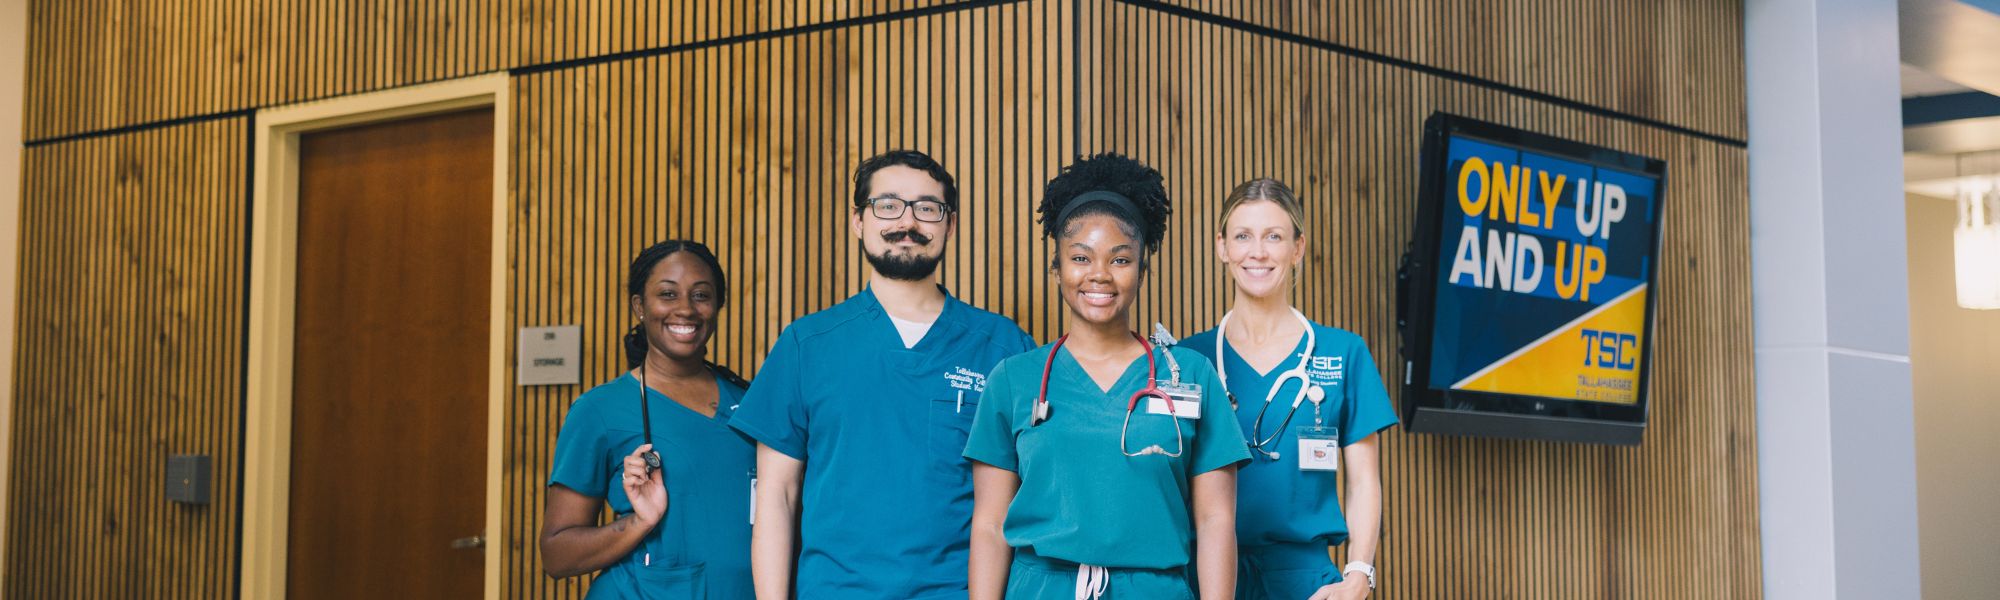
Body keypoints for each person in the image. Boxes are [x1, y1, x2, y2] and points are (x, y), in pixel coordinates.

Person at [728, 150, 1036, 599]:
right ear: (858, 220)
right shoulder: (806, 345)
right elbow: (777, 497)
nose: (907, 222)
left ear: (950, 225)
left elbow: (1028, 493)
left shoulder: (1002, 346)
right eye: (887, 205)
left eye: (927, 208)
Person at [964, 153, 1250, 600]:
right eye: (1080, 257)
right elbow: (988, 525)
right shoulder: (1013, 380)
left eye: (1120, 260)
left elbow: (1215, 520)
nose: (1099, 274)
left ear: (1142, 269)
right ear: (1057, 267)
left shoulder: (1192, 374)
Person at [1180, 178, 1398, 600]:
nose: (1257, 252)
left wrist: (1358, 575)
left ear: (1297, 249)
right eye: (1243, 236)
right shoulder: (1191, 359)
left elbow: (1364, 481)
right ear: (1222, 246)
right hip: (1207, 575)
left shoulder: (1343, 352)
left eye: (1274, 237)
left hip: (1307, 581)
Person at [540, 240, 756, 599]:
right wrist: (639, 522)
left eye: (701, 295)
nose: (686, 309)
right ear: (640, 306)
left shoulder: (750, 405)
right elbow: (557, 556)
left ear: (718, 305)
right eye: (668, 294)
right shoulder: (600, 411)